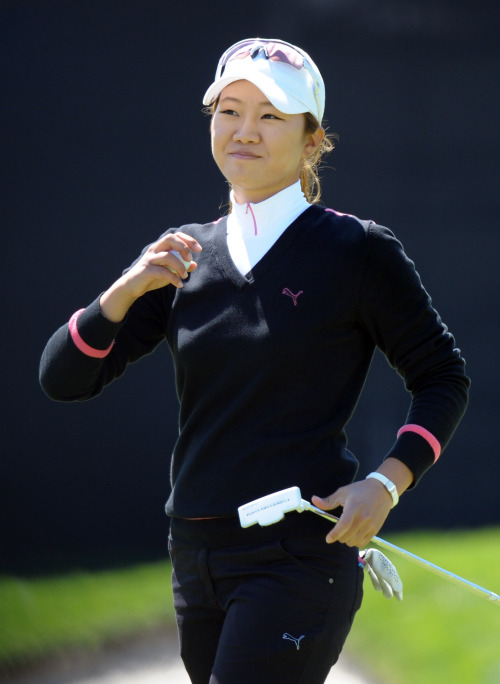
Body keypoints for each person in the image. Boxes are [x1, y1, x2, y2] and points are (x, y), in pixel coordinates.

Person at [39, 37, 470, 684]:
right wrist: (122, 292)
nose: (244, 131)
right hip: (195, 552)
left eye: (270, 116)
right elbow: (63, 380)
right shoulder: (182, 258)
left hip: (300, 552)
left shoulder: (357, 251)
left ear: (312, 140)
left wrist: (385, 484)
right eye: (229, 111)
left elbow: (443, 377)